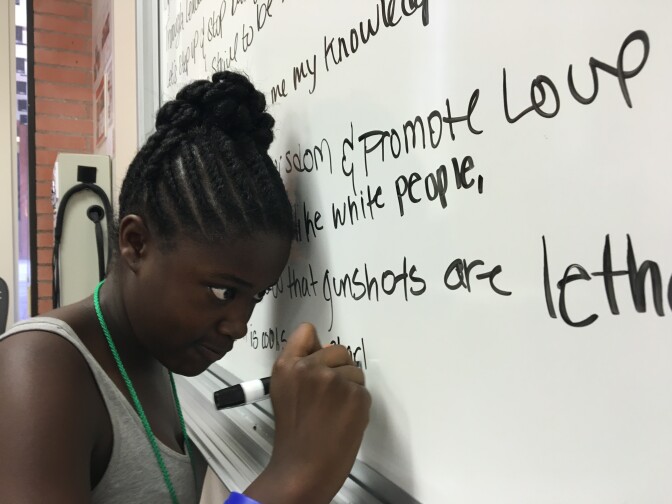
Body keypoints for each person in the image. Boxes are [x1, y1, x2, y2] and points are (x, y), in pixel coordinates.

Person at [0, 71, 371, 504]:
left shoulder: (156, 352)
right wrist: (295, 477)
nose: (239, 327)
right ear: (136, 244)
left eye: (256, 298)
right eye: (222, 293)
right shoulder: (36, 369)